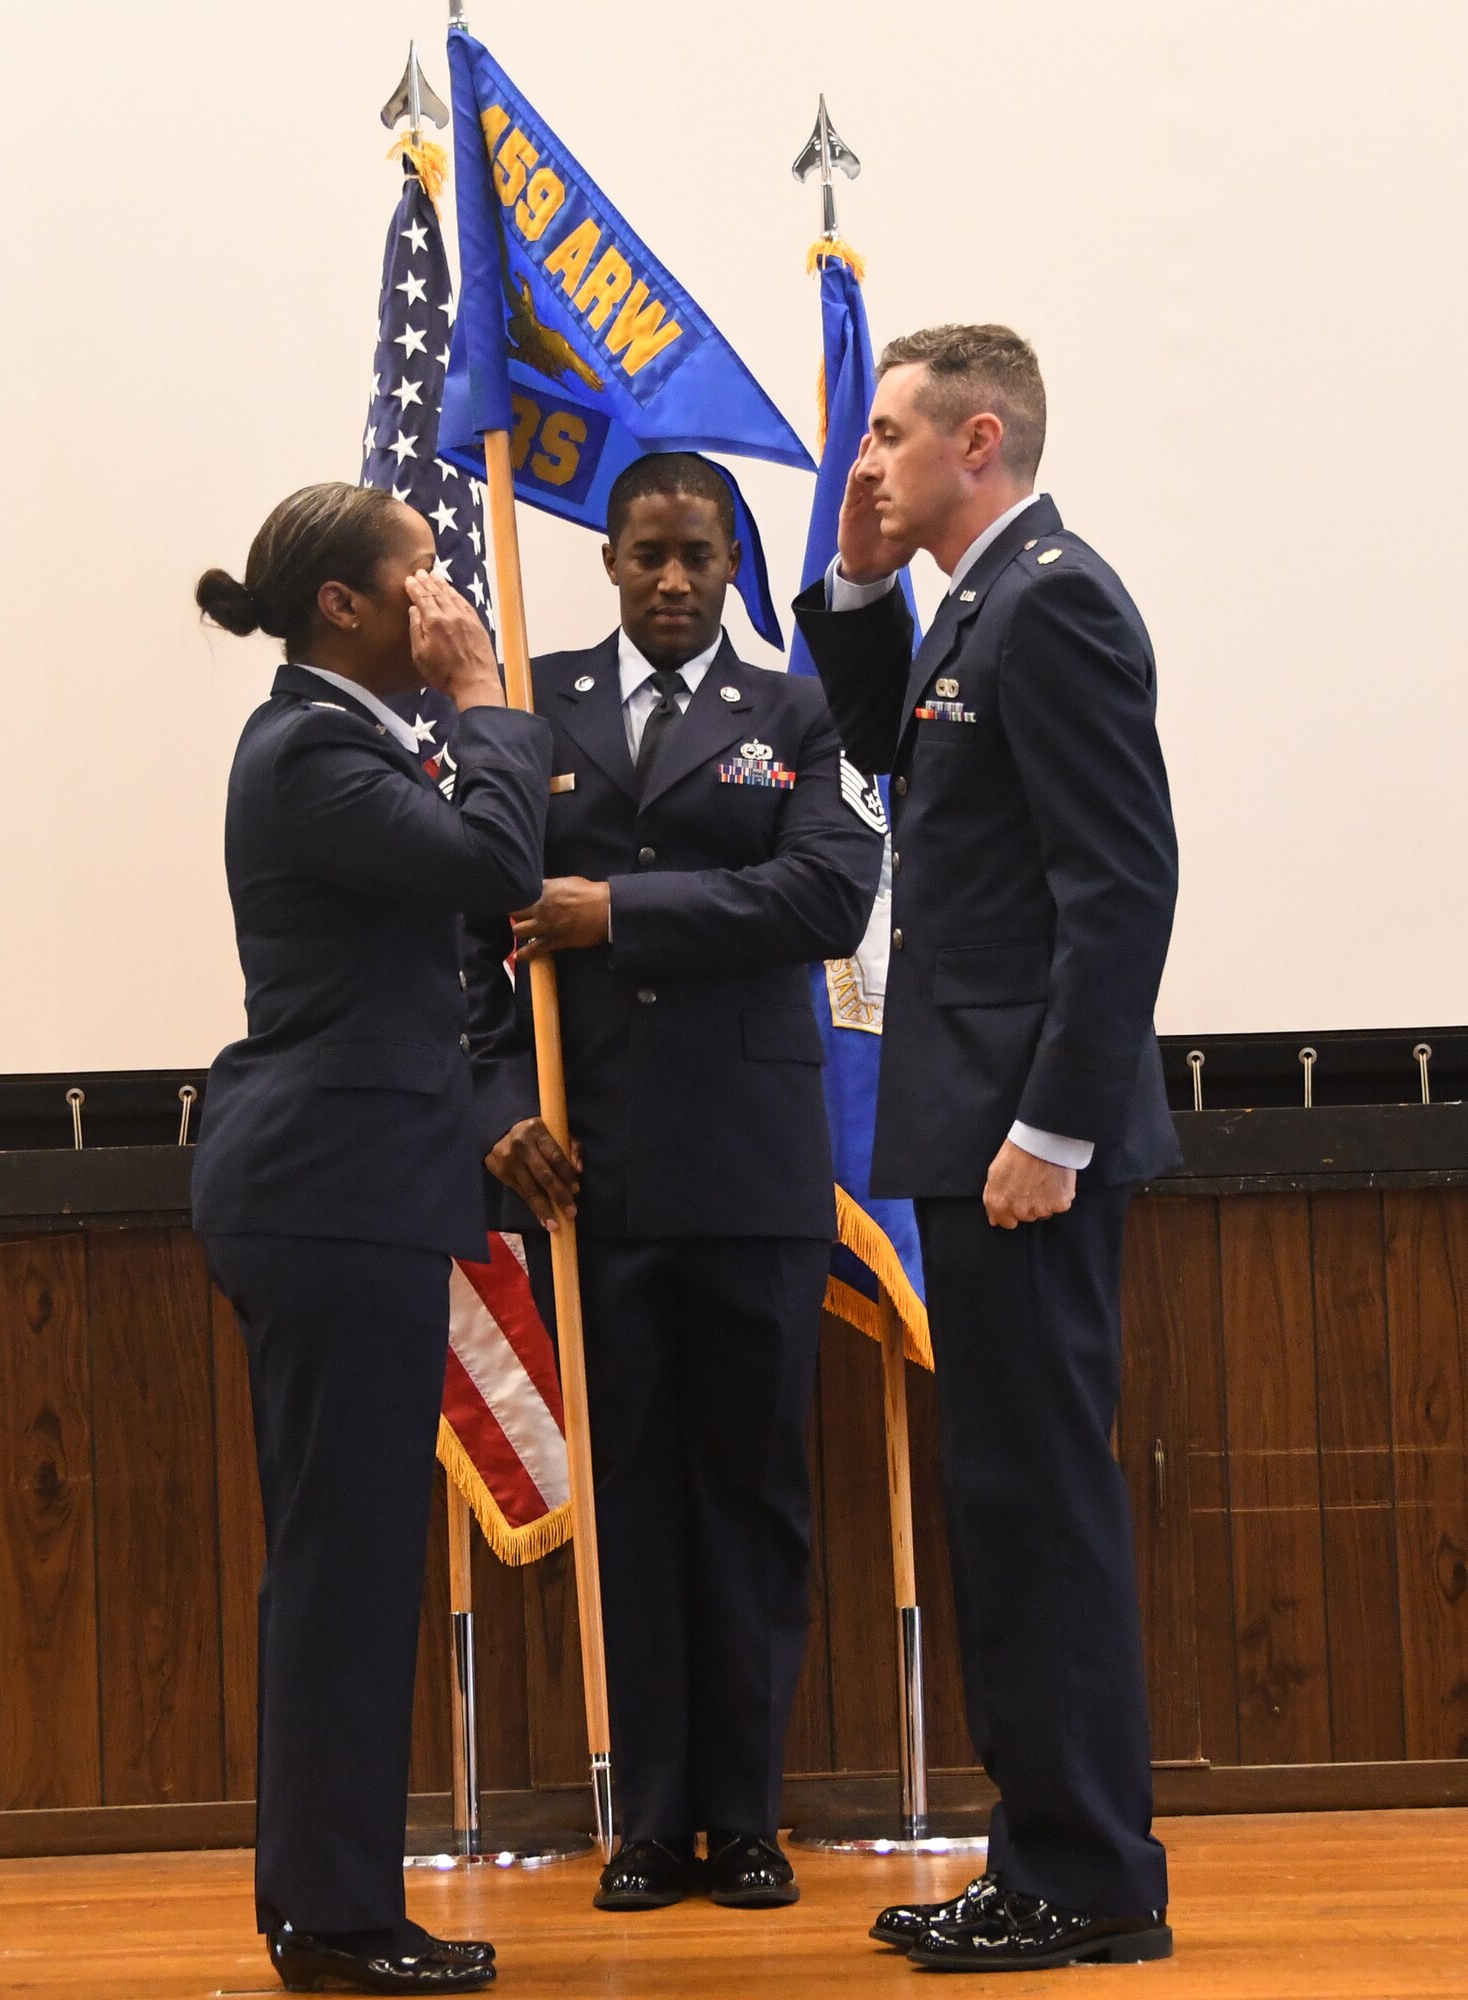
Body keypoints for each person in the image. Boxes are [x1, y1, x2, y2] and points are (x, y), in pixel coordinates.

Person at [793, 327, 1181, 1974]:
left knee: (1039, 1506)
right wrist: (862, 582)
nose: (860, 464)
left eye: (885, 438)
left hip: (1027, 1143)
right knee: (1004, 1502)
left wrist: (1055, 1123)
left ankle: (1088, 1875)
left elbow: (1122, 885)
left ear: (980, 440)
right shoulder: (974, 605)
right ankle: (1046, 1853)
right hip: (978, 1131)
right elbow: (891, 751)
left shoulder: (1058, 599)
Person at [465, 454, 882, 1913]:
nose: (671, 581)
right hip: (594, 1183)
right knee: (632, 1496)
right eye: (646, 553)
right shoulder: (531, 712)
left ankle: (748, 1815)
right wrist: (499, 1105)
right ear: (609, 561)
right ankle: (648, 1819)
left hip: (754, 1171)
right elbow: (479, 939)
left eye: (698, 556)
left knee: (750, 1497)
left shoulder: (794, 710)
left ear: (728, 563)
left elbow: (826, 895)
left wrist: (618, 911)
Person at [191, 482, 551, 1996]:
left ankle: (329, 1900)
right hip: (328, 1186)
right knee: (344, 1566)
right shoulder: (310, 750)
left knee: (349, 1560)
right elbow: (494, 869)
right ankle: (337, 1917)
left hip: (357, 1182)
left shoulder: (346, 742)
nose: (446, 590)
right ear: (344, 605)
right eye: (421, 569)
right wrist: (485, 699)